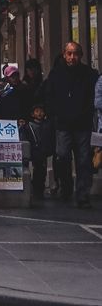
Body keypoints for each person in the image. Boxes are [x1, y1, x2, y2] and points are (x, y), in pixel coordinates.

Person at [45, 41, 98, 209]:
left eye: (75, 54)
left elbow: (93, 98)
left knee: (83, 159)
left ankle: (83, 194)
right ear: (64, 55)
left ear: (80, 56)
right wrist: (55, 113)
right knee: (62, 155)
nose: (72, 57)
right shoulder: (56, 74)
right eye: (69, 53)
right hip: (63, 124)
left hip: (82, 124)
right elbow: (49, 96)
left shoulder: (89, 74)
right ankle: (66, 187)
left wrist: (87, 113)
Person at [23, 103, 54, 201]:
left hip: (43, 151)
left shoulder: (47, 125)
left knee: (42, 171)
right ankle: (36, 189)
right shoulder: (29, 126)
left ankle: (39, 189)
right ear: (32, 114)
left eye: (41, 111)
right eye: (37, 111)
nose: (40, 113)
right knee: (36, 170)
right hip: (34, 150)